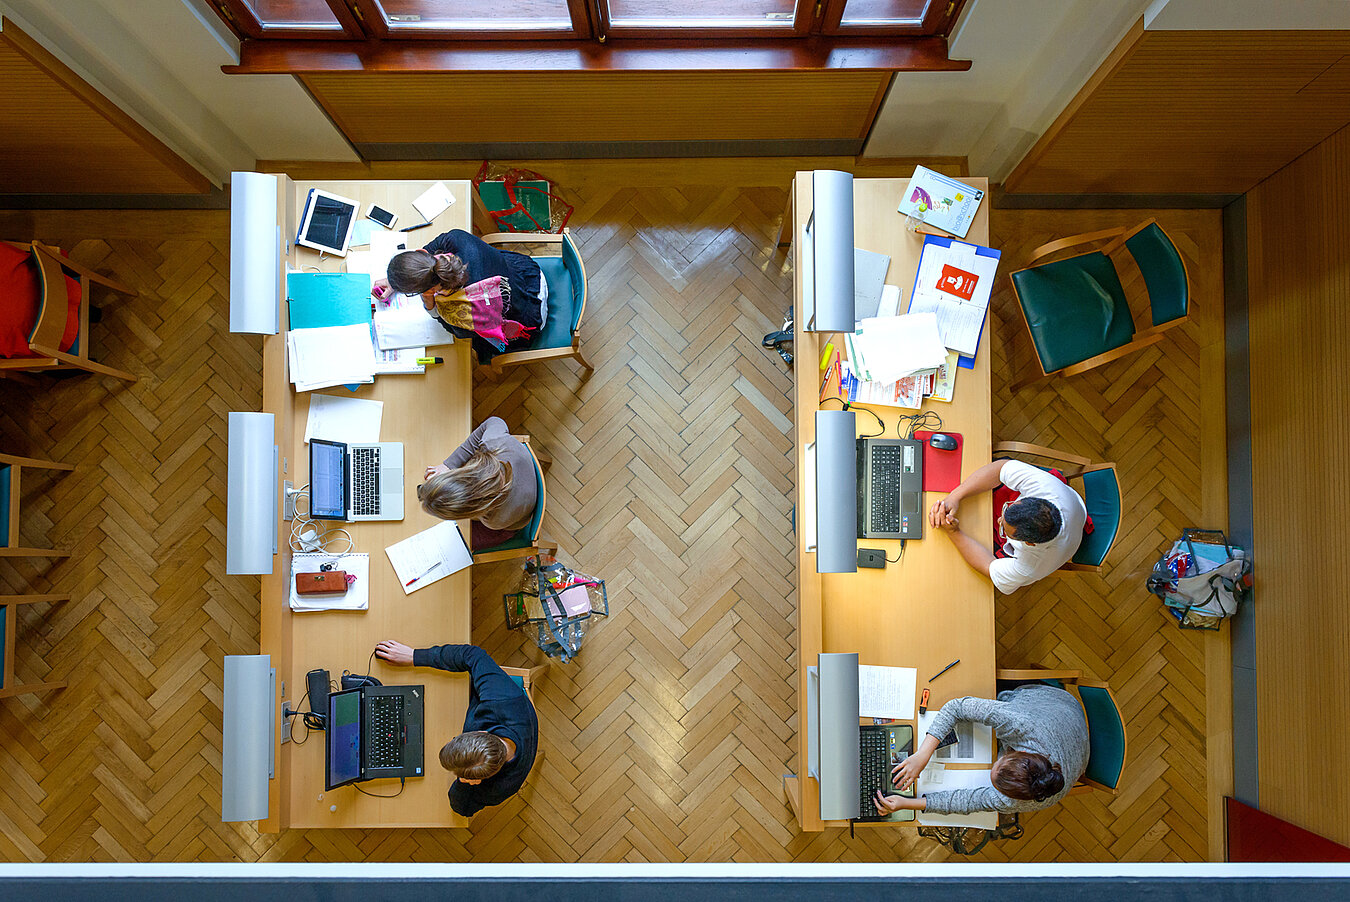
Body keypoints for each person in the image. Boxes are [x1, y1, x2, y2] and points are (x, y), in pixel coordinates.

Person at [374, 640, 538, 818]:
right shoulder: (501, 699)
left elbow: (462, 809)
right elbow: (473, 655)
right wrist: (414, 656)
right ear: (482, 733)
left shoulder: (502, 787)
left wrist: (463, 783)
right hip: (513, 705)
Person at [873, 683, 1089, 817]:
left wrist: (907, 804)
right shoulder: (1021, 726)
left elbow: (967, 802)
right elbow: (956, 707)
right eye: (997, 766)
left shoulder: (1026, 799)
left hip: (1073, 739)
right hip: (1058, 705)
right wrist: (922, 755)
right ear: (1012, 751)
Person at [373, 228, 547, 363]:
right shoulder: (454, 239)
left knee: (481, 346)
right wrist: (393, 281)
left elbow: (459, 333)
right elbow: (429, 254)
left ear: (429, 291)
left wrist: (430, 305)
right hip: (527, 272)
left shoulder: (455, 310)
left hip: (531, 311)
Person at [928, 458, 1087, 594]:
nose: (998, 521)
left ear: (1029, 543)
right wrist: (956, 496)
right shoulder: (1045, 487)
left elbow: (988, 566)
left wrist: (954, 532)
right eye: (1007, 509)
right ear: (1028, 499)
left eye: (1004, 528)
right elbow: (1000, 468)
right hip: (1074, 509)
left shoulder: (1029, 566)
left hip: (1069, 535)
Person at [418, 416, 537, 549]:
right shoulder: (495, 444)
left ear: (469, 513)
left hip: (515, 522)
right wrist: (449, 464)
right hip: (524, 484)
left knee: (462, 543)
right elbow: (495, 421)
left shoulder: (493, 521)